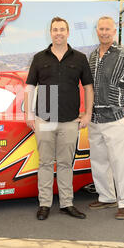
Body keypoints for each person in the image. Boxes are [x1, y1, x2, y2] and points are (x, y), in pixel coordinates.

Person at [24, 16, 94, 221]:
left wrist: (88, 113)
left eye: (62, 29)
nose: (58, 33)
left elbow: (88, 87)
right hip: (44, 118)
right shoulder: (39, 58)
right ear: (50, 33)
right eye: (55, 29)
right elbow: (30, 87)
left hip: (70, 120)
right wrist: (29, 113)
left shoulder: (80, 58)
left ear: (68, 32)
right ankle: (44, 204)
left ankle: (67, 203)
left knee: (65, 164)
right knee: (45, 163)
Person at [87, 16, 124, 220]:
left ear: (114, 30)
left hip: (117, 117)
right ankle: (107, 196)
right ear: (96, 30)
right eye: (101, 28)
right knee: (99, 161)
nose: (104, 32)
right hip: (96, 118)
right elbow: (89, 87)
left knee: (121, 162)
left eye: (108, 28)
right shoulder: (92, 56)